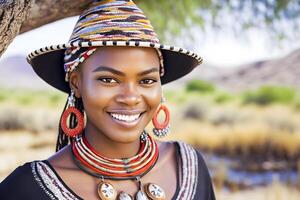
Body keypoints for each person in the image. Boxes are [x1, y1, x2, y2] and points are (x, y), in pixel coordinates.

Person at [0, 0, 215, 199]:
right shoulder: (26, 188)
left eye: (147, 80)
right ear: (76, 83)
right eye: (108, 79)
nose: (130, 98)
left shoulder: (189, 165)